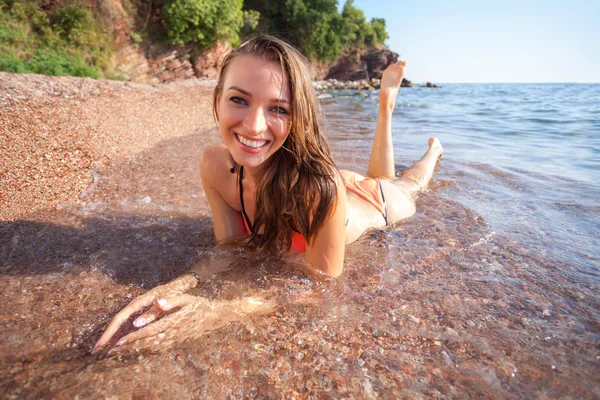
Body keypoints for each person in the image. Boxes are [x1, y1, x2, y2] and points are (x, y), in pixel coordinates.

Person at [92, 35, 443, 354]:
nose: (255, 126)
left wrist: (220, 312)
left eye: (278, 108)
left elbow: (321, 288)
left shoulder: (319, 192)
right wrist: (179, 285)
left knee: (403, 184)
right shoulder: (214, 165)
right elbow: (230, 249)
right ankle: (386, 108)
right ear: (218, 99)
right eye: (239, 100)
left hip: (372, 203)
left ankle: (417, 136)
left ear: (297, 116)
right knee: (377, 175)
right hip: (316, 177)